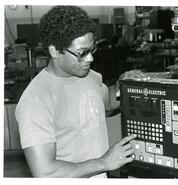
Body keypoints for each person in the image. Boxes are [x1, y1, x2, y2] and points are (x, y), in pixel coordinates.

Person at [15, 6, 139, 178]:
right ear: (54, 51)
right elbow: (45, 173)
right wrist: (104, 162)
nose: (90, 58)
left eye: (92, 49)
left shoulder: (88, 76)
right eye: (82, 53)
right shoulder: (36, 101)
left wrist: (122, 86)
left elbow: (107, 103)